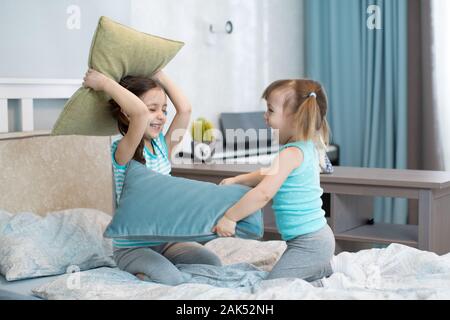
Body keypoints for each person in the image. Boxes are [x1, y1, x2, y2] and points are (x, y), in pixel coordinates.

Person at [83, 68, 222, 286]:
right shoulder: (123, 151)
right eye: (153, 109)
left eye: (164, 110)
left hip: (165, 241)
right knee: (172, 280)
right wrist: (104, 83)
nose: (161, 116)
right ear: (125, 113)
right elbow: (138, 114)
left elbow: (185, 109)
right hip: (133, 247)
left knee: (211, 262)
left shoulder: (162, 146)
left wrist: (160, 75)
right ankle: (140, 272)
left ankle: (157, 264)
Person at [212, 79, 335, 283]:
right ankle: (319, 269)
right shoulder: (305, 147)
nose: (265, 116)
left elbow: (264, 193)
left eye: (270, 110)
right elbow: (269, 173)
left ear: (295, 118)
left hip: (310, 243)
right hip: (314, 239)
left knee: (271, 287)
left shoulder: (290, 153)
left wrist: (230, 217)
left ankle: (319, 271)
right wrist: (239, 179)